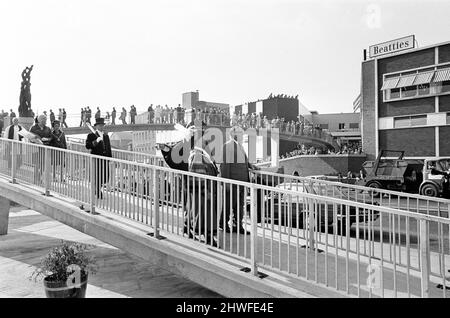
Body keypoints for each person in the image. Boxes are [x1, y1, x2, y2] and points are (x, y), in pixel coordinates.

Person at [219, 126, 257, 234]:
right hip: (232, 182)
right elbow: (224, 166)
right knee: (228, 204)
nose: (242, 135)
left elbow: (244, 161)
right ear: (234, 134)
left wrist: (251, 166)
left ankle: (237, 225)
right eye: (240, 133)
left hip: (241, 182)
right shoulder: (228, 146)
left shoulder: (240, 146)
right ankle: (223, 224)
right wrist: (226, 182)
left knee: (240, 205)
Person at [186, 120, 219, 247]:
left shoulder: (202, 153)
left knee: (197, 210)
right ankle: (208, 237)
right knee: (204, 214)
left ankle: (188, 228)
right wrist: (207, 192)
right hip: (204, 191)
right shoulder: (197, 154)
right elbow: (198, 176)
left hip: (206, 189)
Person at [85, 117, 112, 199]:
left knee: (105, 176)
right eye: (99, 125)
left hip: (105, 159)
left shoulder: (106, 136)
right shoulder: (91, 135)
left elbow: (108, 148)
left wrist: (110, 158)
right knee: (97, 175)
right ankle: (98, 190)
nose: (101, 127)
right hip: (96, 158)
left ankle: (97, 188)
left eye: (102, 125)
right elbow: (87, 146)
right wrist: (95, 142)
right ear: (96, 126)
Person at [30, 115, 53, 184]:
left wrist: (47, 139)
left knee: (43, 164)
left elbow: (51, 137)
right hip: (36, 148)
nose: (45, 121)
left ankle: (39, 177)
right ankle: (36, 178)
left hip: (45, 148)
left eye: (45, 119)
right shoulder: (33, 128)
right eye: (43, 119)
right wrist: (36, 140)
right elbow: (30, 137)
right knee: (37, 164)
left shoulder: (48, 128)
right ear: (39, 120)